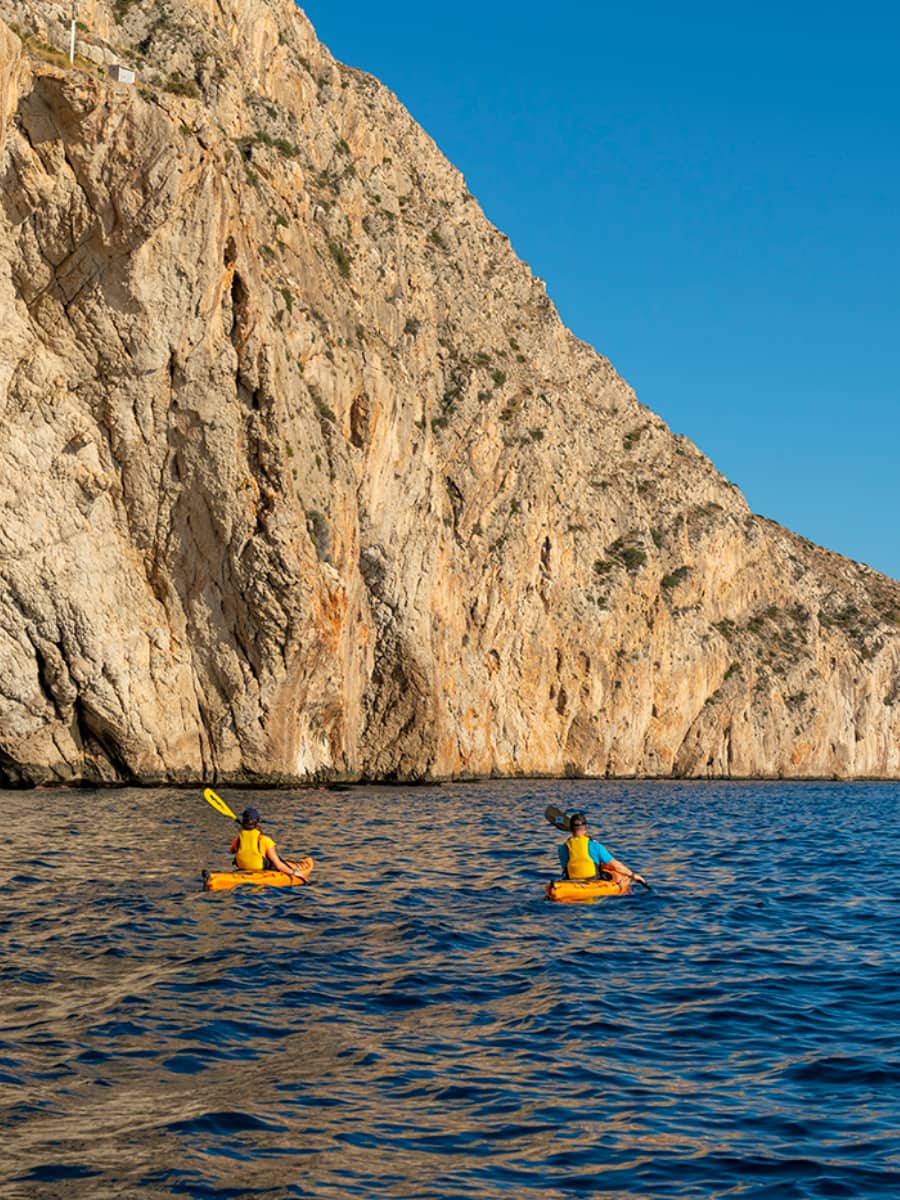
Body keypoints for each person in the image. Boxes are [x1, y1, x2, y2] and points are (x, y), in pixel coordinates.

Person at [558, 811, 646, 892]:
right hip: (593, 882)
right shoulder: (595, 846)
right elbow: (616, 865)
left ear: (570, 829)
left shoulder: (562, 848)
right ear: (585, 828)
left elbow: (567, 868)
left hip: (572, 883)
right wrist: (633, 875)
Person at [231, 807, 310, 881]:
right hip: (261, 869)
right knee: (277, 860)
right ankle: (294, 868)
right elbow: (278, 865)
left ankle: (290, 864)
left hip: (243, 869)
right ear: (257, 822)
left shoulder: (238, 839)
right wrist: (294, 873)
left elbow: (232, 850)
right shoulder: (264, 840)